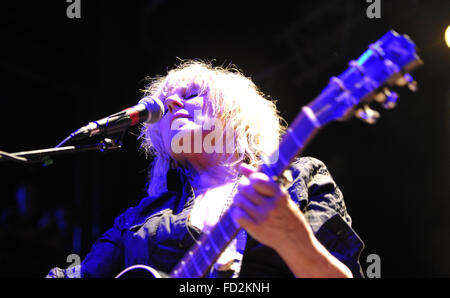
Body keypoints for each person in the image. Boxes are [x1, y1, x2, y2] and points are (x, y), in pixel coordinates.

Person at [46, 59, 364, 278]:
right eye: (165, 105)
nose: (173, 105)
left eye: (192, 95)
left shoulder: (295, 180)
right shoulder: (139, 219)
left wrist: (292, 238)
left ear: (233, 113)